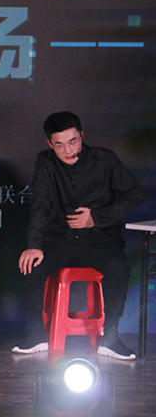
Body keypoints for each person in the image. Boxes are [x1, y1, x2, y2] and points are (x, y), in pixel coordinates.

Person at [13, 111, 145, 360]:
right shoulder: (46, 161)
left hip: (100, 241)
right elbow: (40, 204)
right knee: (30, 263)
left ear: (82, 136)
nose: (67, 150)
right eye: (59, 145)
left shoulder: (105, 159)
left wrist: (97, 218)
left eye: (72, 142)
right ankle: (36, 335)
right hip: (59, 241)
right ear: (50, 144)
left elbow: (135, 193)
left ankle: (110, 338)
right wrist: (35, 245)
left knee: (118, 267)